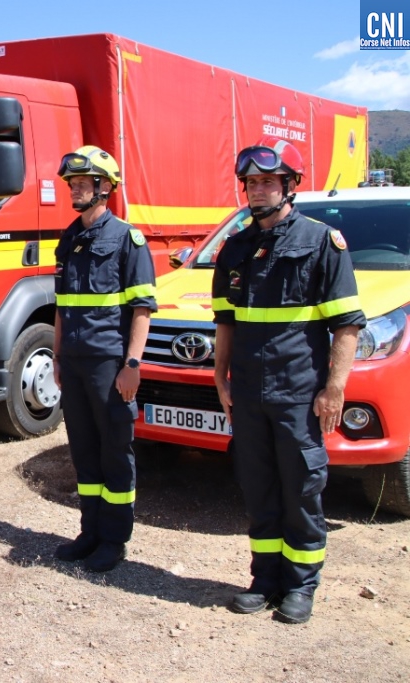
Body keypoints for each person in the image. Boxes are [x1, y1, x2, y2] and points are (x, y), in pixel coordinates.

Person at [213, 136, 366, 624]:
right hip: (248, 393)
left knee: (301, 489)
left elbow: (346, 325)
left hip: (299, 393)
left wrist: (334, 388)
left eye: (267, 181)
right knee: (258, 488)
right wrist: (219, 376)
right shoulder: (235, 247)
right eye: (250, 182)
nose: (257, 190)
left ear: (290, 185)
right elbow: (225, 322)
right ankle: (264, 580)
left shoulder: (321, 242)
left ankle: (300, 585)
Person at [51, 145, 157, 573]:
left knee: (114, 452)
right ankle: (90, 532)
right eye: (72, 184)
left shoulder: (127, 240)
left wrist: (132, 365)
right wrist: (57, 355)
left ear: (104, 187)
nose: (74, 189)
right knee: (84, 451)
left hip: (110, 366)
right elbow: (62, 306)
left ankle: (114, 540)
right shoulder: (69, 239)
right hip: (75, 365)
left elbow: (142, 309)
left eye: (81, 183)